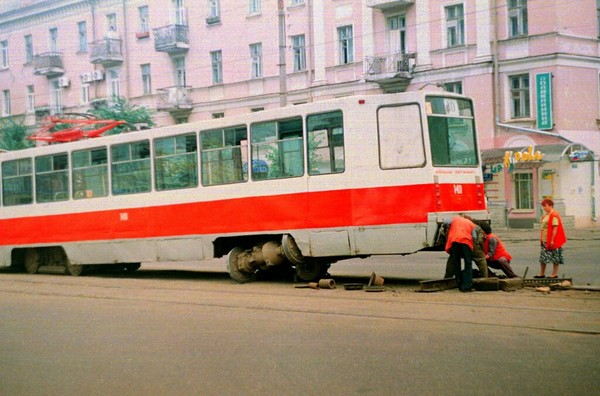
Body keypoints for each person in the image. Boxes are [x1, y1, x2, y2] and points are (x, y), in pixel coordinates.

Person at [535, 198, 567, 278]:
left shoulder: (554, 215)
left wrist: (552, 240)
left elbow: (555, 228)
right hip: (545, 239)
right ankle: (542, 273)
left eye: (545, 206)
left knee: (555, 257)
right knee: (543, 257)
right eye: (543, 206)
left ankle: (554, 274)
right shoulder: (546, 215)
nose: (544, 208)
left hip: (552, 239)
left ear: (551, 205)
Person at [444, 215, 477, 292]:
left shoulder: (455, 218)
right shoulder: (471, 224)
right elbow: (474, 237)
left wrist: (448, 228)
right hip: (466, 243)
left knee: (456, 263)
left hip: (454, 241)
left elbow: (446, 221)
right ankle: (467, 286)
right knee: (468, 264)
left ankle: (459, 284)